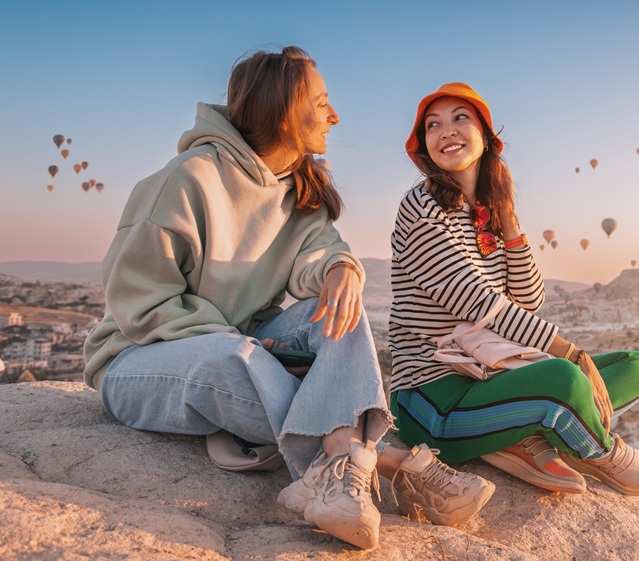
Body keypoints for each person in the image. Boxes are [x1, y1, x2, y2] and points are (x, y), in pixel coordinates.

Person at [82, 47, 492, 551]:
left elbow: (319, 252)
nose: (334, 116)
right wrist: (248, 344)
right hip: (137, 359)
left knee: (336, 312)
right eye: (321, 104)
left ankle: (340, 467)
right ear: (282, 113)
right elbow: (139, 302)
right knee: (233, 356)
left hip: (243, 342)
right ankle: (391, 462)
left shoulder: (298, 187)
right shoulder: (187, 179)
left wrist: (341, 269)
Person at [388, 82, 639, 496]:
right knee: (565, 375)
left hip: (495, 375)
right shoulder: (421, 206)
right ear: (425, 146)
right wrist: (571, 353)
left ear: (486, 136)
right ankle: (599, 450)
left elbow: (529, 300)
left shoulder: (487, 213)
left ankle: (521, 434)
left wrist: (511, 226)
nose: (446, 131)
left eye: (460, 118)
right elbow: (475, 301)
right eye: (433, 125)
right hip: (433, 398)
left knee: (634, 365)